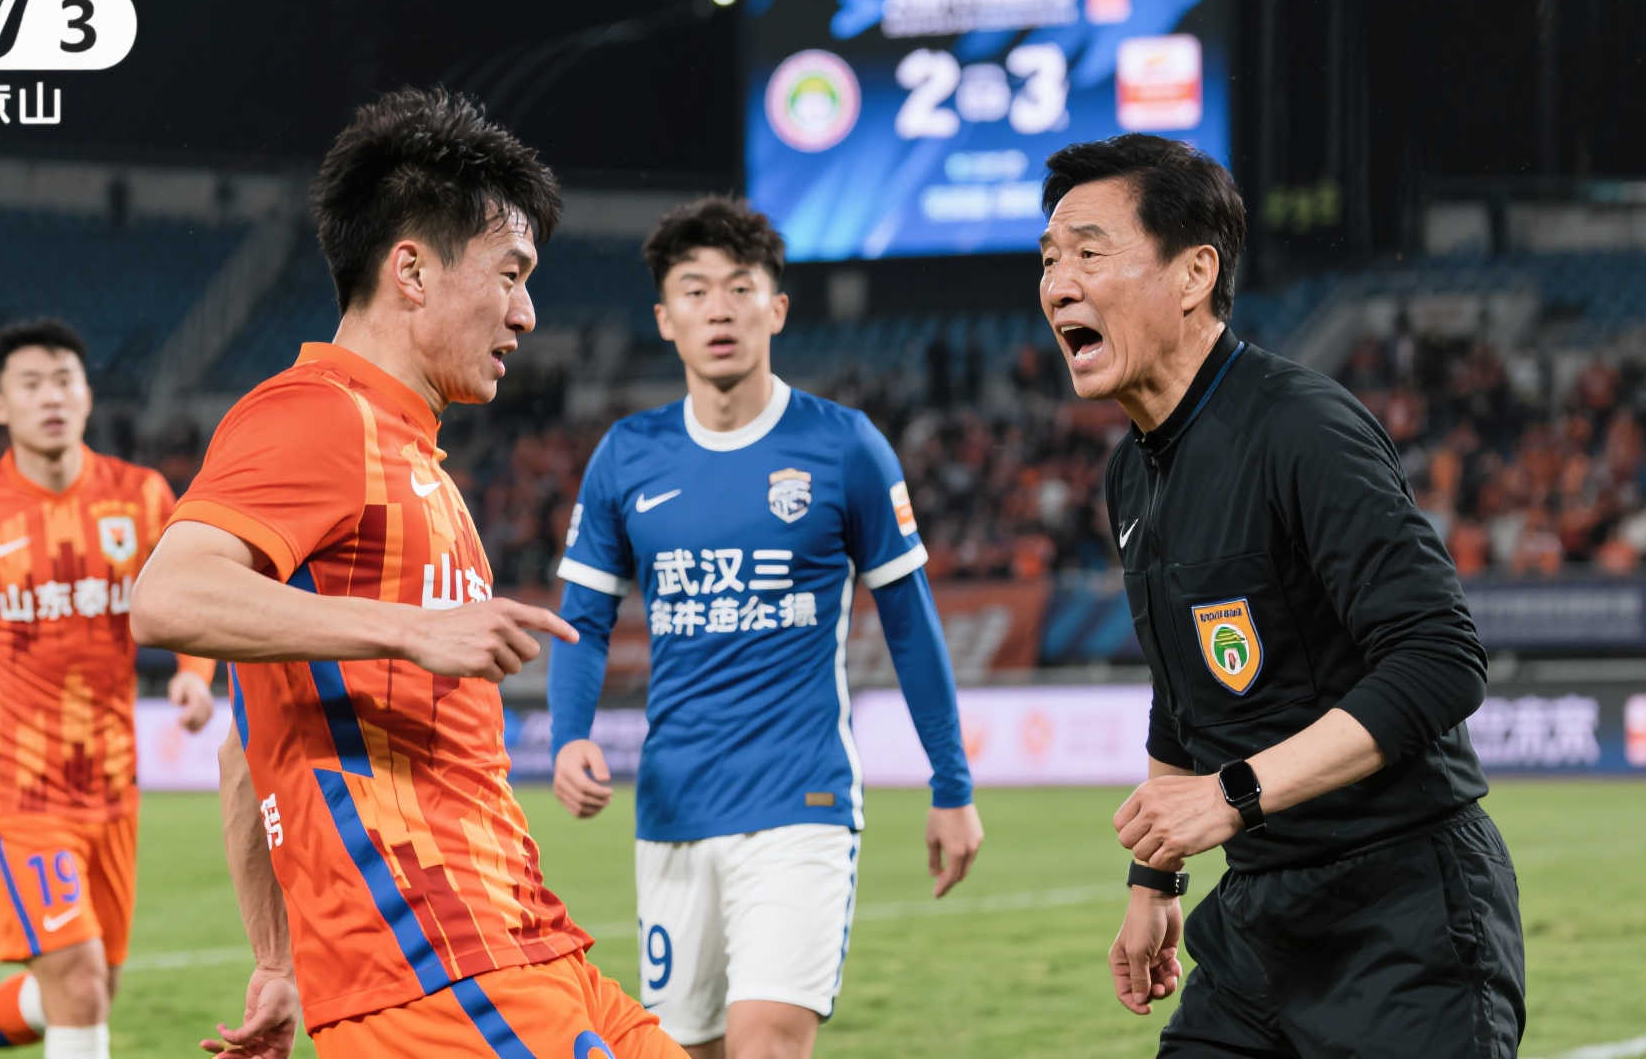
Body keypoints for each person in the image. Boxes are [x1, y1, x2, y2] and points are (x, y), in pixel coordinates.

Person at [129, 87, 686, 1059]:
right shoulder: (316, 415)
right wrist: (411, 631)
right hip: (435, 963)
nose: (526, 313)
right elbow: (166, 596)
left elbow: (246, 749)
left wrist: (277, 961)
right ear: (413, 271)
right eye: (510, 274)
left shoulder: (409, 457)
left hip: (524, 943)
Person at [1035, 133, 1524, 1057]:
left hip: (1402, 921)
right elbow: (1183, 697)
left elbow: (1440, 659)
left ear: (1194, 274)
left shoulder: (1303, 426)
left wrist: (1234, 795)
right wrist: (1154, 881)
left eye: (1089, 254)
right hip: (1258, 927)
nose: (1059, 284)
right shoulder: (1131, 474)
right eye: (1050, 260)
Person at [547, 196, 983, 1059]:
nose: (719, 309)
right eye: (695, 290)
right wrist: (568, 738)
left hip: (801, 802)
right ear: (665, 319)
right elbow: (585, 621)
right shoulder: (626, 456)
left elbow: (909, 620)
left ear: (776, 309)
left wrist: (952, 784)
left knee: (767, 1045)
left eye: (740, 288)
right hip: (672, 809)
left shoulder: (845, 447)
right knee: (684, 1051)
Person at [0, 319, 219, 1059]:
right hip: (18, 780)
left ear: (88, 395)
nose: (51, 397)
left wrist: (194, 677)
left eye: (65, 381)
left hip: (112, 778)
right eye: (30, 385)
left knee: (91, 986)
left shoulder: (142, 497)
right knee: (79, 979)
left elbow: (191, 594)